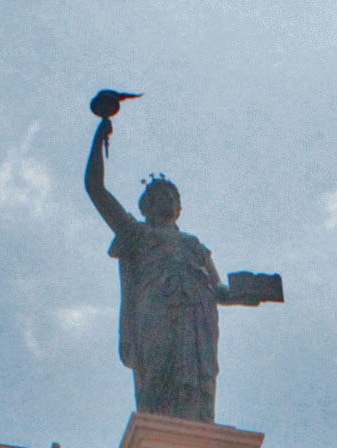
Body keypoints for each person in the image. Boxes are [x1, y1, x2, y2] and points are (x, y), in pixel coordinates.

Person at [86, 105, 274, 422]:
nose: (169, 200)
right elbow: (96, 189)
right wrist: (97, 141)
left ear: (180, 207)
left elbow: (218, 290)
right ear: (146, 205)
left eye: (173, 196)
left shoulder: (194, 245)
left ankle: (195, 433)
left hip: (198, 316)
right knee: (159, 374)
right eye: (161, 195)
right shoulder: (137, 234)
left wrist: (248, 292)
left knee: (196, 383)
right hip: (157, 309)